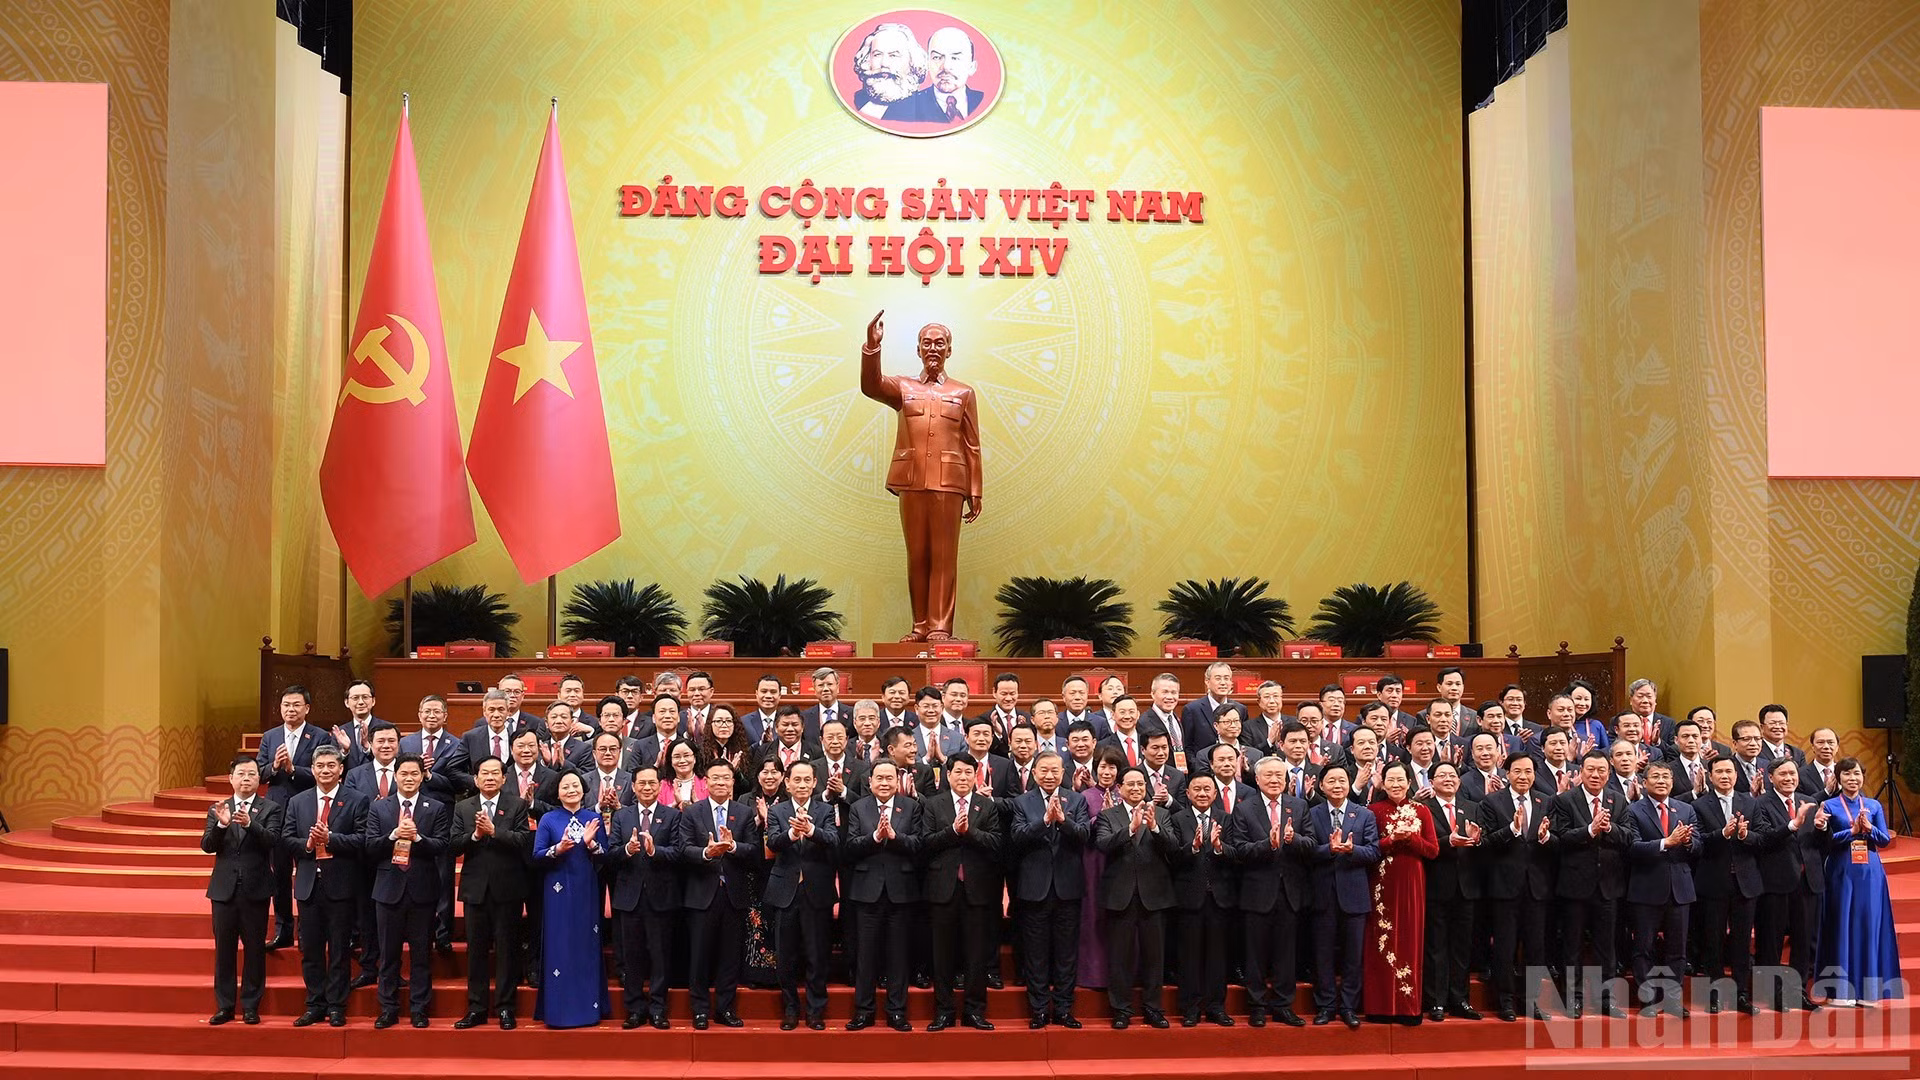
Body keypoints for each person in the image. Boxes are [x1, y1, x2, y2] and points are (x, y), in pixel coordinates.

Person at [859, 311, 983, 641]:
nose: (932, 348)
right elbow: (871, 386)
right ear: (917, 350)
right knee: (917, 555)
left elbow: (972, 444)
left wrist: (976, 491)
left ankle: (940, 627)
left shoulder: (963, 393)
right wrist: (872, 348)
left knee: (944, 557)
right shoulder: (902, 387)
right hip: (911, 480)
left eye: (939, 343)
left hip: (949, 483)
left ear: (949, 351)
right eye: (926, 343)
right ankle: (919, 626)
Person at [279, 744, 366, 1028]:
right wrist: (306, 844)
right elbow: (286, 838)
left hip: (341, 884)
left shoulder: (356, 800)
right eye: (320, 766)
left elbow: (363, 840)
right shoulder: (299, 801)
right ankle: (314, 1004)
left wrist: (331, 838)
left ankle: (337, 1006)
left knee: (340, 950)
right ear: (313, 769)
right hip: (308, 885)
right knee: (311, 949)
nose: (326, 770)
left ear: (341, 770)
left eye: (331, 766)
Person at [364, 753, 451, 1028]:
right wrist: (393, 836)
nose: (409, 778)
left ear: (422, 776)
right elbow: (369, 847)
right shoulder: (380, 808)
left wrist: (418, 838)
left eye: (415, 773)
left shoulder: (435, 807)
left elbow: (441, 846)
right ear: (395, 776)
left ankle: (419, 1009)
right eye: (404, 773)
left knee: (421, 954)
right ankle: (388, 1008)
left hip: (422, 891)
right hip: (388, 890)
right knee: (388, 955)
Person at [1549, 750, 1634, 1019]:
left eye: (1601, 770)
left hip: (1608, 885)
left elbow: (1629, 837)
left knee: (1605, 946)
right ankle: (1573, 998)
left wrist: (1609, 829)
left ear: (1608, 774)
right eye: (1590, 770)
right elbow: (1560, 838)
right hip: (1575, 885)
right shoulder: (1565, 801)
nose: (1595, 775)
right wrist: (1590, 831)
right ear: (1580, 772)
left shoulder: (1618, 801)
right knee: (1572, 945)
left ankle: (1605, 999)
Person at [450, 755, 533, 1030]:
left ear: (503, 778)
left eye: (494, 773)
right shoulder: (463, 807)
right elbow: (453, 845)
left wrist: (495, 831)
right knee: (476, 952)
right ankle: (476, 1008)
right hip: (475, 890)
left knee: (507, 951)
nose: (488, 777)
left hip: (507, 889)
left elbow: (523, 840)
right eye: (483, 773)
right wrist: (475, 835)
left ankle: (506, 1008)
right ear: (475, 779)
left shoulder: (517, 805)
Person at [921, 752, 1002, 1030]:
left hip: (977, 890)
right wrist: (953, 832)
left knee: (976, 954)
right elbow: (925, 842)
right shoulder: (934, 805)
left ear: (975, 775)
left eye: (969, 772)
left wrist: (970, 832)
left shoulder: (986, 805)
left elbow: (995, 842)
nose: (963, 777)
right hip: (942, 889)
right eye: (958, 772)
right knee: (942, 954)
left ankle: (974, 1011)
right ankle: (944, 1010)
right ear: (948, 774)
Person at [1010, 750, 1090, 1028]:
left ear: (1062, 772)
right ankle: (1039, 1009)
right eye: (1043, 770)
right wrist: (1044, 820)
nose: (1049, 775)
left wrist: (1062, 821)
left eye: (1055, 770)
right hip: (1034, 889)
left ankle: (1065, 1009)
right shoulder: (1022, 802)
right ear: (1034, 773)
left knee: (1067, 953)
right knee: (1036, 954)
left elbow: (1083, 836)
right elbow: (1017, 837)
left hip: (1068, 887)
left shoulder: (1077, 799)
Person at [1094, 766, 1176, 1029]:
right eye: (1130, 784)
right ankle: (1121, 1009)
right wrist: (1129, 829)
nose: (1136, 788)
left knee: (1155, 957)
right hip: (1121, 895)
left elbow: (1174, 848)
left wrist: (1155, 828)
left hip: (1155, 894)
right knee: (1120, 957)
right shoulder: (1108, 815)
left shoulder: (1161, 814)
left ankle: (1154, 1008)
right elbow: (1103, 845)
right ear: (1120, 789)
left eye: (1140, 784)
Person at [1234, 756, 1313, 1028]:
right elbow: (1239, 850)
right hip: (1257, 892)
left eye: (1279, 775)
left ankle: (1282, 1005)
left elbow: (1312, 844)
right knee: (1255, 953)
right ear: (1257, 779)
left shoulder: (1299, 806)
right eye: (1268, 775)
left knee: (1286, 952)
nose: (1274, 780)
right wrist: (1267, 845)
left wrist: (1294, 840)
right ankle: (1256, 1006)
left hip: (1290, 891)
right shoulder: (1244, 809)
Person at [1817, 757, 1902, 1006]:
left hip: (1870, 872)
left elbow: (1884, 839)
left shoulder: (1873, 805)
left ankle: (1868, 991)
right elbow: (1826, 842)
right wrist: (1851, 832)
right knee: (1841, 924)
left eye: (1856, 774)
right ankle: (1840, 992)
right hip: (1841, 870)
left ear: (1863, 777)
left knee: (1869, 925)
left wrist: (1869, 829)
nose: (1852, 779)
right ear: (1838, 778)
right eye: (1847, 775)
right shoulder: (1829, 805)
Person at [846, 760, 922, 1031]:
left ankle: (897, 1011)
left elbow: (918, 844)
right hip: (866, 892)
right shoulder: (858, 808)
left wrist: (895, 836)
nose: (885, 783)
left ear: (897, 781)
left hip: (901, 892)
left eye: (890, 778)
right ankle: (863, 1011)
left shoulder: (911, 806)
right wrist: (876, 838)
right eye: (880, 778)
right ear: (870, 781)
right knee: (865, 955)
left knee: (898, 955)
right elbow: (851, 846)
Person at [1478, 752, 1554, 1021]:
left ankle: (1532, 1002)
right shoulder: (1491, 802)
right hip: (1504, 887)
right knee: (1505, 947)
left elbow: (1556, 842)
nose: (1524, 776)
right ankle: (1506, 1002)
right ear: (1507, 774)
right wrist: (1511, 829)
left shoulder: (1546, 801)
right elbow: (1484, 843)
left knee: (1535, 948)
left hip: (1537, 887)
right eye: (1518, 771)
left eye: (1529, 771)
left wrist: (1547, 838)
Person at [203, 756, 279, 1025]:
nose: (246, 778)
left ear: (260, 779)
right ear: (231, 778)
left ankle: (250, 1005)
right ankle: (224, 1006)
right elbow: (207, 845)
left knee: (255, 950)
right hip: (223, 891)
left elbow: (272, 840)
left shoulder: (270, 807)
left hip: (256, 889)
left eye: (252, 774)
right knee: (224, 950)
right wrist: (223, 824)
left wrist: (250, 824)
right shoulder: (218, 808)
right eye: (241, 774)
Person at [606, 763, 683, 1029]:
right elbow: (611, 855)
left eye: (652, 783)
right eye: (642, 783)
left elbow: (678, 854)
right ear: (634, 786)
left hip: (661, 897)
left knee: (661, 956)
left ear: (660, 786)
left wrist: (654, 852)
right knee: (632, 956)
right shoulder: (622, 816)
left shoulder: (672, 816)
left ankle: (659, 1008)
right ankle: (635, 1008)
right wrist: (627, 849)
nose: (647, 787)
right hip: (629, 897)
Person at [684, 760, 758, 1029]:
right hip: (702, 894)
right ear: (706, 782)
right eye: (715, 778)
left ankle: (725, 1009)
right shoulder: (692, 813)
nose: (721, 783)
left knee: (730, 955)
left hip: (733, 894)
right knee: (699, 955)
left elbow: (754, 851)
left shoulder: (744, 813)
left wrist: (733, 846)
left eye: (726, 778)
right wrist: (707, 853)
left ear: (733, 782)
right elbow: (684, 849)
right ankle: (700, 1009)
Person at [531, 772, 609, 1028]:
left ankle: (589, 1010)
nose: (572, 789)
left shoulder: (593, 818)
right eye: (566, 786)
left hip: (587, 889)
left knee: (585, 945)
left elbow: (604, 856)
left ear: (583, 789)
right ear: (557, 792)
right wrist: (558, 849)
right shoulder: (548, 819)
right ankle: (558, 1011)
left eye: (576, 785)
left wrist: (590, 845)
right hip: (557, 893)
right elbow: (538, 854)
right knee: (559, 946)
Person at [1364, 760, 1439, 1024]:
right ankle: (1379, 1006)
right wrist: (1391, 840)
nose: (1396, 785)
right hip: (1382, 882)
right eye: (1390, 780)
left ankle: (1409, 1008)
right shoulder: (1372, 811)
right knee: (1380, 938)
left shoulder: (1422, 811)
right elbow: (1370, 849)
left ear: (1410, 783)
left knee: (1410, 940)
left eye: (1401, 780)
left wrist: (1412, 838)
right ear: (1382, 784)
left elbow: (1432, 850)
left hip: (1412, 884)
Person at [765, 760, 838, 1030]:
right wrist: (793, 834)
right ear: (787, 783)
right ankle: (791, 1009)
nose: (802, 785)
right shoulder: (778, 811)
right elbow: (772, 842)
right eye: (797, 780)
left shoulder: (825, 810)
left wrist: (811, 831)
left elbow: (833, 840)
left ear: (815, 782)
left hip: (816, 891)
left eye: (807, 780)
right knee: (785, 956)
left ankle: (815, 1011)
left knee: (817, 954)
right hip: (785, 891)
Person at [1625, 760, 1701, 1016]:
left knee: (1677, 949)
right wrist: (1666, 842)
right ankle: (1648, 1000)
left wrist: (1689, 843)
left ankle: (1672, 1000)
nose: (1662, 781)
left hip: (1680, 889)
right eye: (1655, 777)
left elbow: (1699, 848)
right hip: (1646, 889)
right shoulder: (1634, 810)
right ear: (1644, 782)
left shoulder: (1686, 809)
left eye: (1666, 777)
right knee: (1643, 947)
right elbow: (1632, 847)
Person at [1308, 761, 1379, 1028]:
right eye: (1332, 781)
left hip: (1355, 895)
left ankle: (1349, 1006)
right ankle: (1325, 1006)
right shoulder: (1311, 813)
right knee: (1322, 954)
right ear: (1321, 786)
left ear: (1349, 785)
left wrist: (1352, 851)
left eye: (1342, 781)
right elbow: (1305, 851)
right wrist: (1329, 849)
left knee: (1353, 955)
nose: (1337, 785)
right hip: (1322, 893)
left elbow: (1374, 852)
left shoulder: (1364, 815)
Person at [1752, 756, 1825, 1012]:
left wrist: (1822, 829)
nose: (1789, 778)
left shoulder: (1811, 802)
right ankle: (1772, 993)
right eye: (1782, 774)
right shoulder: (1760, 803)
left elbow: (1819, 844)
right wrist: (1792, 825)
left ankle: (1798, 992)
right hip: (1776, 881)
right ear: (1771, 778)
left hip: (1808, 880)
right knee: (1770, 941)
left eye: (1792, 773)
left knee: (1803, 941)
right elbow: (1762, 839)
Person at [1693, 756, 1761, 1014]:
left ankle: (1742, 993)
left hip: (1745, 882)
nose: (1725, 775)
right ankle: (1715, 992)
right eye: (1719, 771)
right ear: (1710, 777)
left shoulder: (1749, 802)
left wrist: (1745, 835)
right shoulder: (1698, 805)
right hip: (1713, 882)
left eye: (1729, 771)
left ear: (1736, 774)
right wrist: (1722, 834)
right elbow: (1697, 843)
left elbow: (1761, 837)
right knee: (1714, 940)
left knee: (1742, 941)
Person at [1169, 771, 1237, 1027]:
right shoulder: (1178, 819)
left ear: (1215, 793)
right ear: (1187, 794)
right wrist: (1194, 847)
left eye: (1207, 789)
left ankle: (1216, 1007)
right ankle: (1190, 1008)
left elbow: (1236, 853)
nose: (1202, 793)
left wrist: (1218, 847)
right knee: (1189, 955)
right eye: (1196, 789)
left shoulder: (1226, 819)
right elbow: (1172, 856)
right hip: (1189, 897)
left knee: (1217, 955)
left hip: (1219, 897)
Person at [256, 686, 320, 949]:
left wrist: (294, 770)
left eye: (296, 705)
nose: (290, 710)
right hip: (276, 811)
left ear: (306, 708)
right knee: (279, 872)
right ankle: (283, 929)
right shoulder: (270, 737)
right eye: (285, 705)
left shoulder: (320, 736)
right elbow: (258, 772)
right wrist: (273, 767)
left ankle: (308, 929)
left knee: (307, 871)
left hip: (307, 809)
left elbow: (323, 771)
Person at [1420, 760, 1483, 1021]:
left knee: (1461, 947)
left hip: (1467, 887)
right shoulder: (1423, 809)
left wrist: (1479, 839)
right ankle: (1435, 1001)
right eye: (1442, 775)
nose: (1448, 779)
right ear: (1431, 782)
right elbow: (1423, 843)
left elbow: (1484, 841)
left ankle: (1460, 999)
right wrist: (1447, 842)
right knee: (1436, 946)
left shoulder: (1472, 807)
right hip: (1436, 885)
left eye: (1453, 775)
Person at [1076, 746, 1127, 991]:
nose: (1107, 772)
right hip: (1093, 861)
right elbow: (1081, 829)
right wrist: (1103, 817)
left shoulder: (1127, 792)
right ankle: (1094, 975)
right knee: (1094, 915)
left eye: (1112, 767)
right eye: (1102, 767)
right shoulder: (1086, 796)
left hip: (1121, 861)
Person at [742, 758, 785, 988]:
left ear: (782, 775)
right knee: (756, 921)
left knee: (778, 920)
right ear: (757, 775)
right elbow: (739, 832)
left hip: (781, 867)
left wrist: (773, 819)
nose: (770, 776)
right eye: (764, 771)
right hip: (754, 867)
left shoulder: (788, 800)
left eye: (775, 772)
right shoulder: (745, 799)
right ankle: (756, 973)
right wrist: (759, 819)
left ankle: (781, 972)